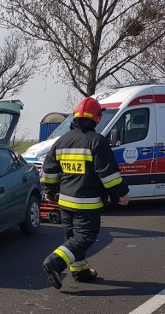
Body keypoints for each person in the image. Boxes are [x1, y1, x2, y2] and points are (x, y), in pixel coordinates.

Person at [41, 97, 130, 290]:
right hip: (86, 203)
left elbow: (49, 172)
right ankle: (54, 262)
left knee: (72, 237)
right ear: (96, 118)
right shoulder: (97, 141)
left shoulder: (61, 142)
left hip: (64, 202)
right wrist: (121, 194)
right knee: (85, 237)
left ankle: (80, 271)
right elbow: (108, 175)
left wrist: (50, 192)